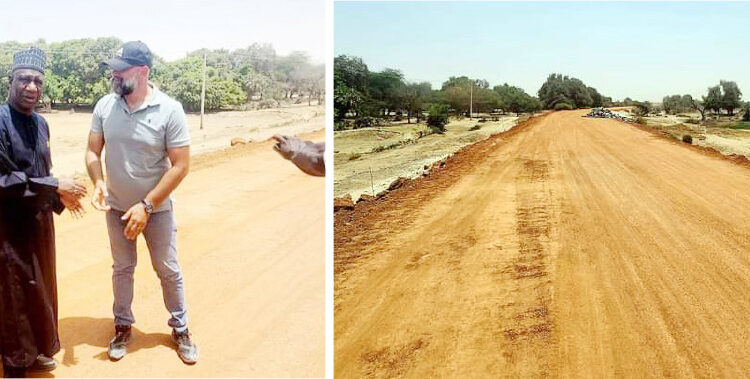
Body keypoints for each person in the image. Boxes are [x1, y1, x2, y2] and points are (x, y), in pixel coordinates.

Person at [84, 41, 198, 364]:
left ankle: (181, 328)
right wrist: (99, 183)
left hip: (157, 212)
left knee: (168, 269)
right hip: (117, 209)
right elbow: (93, 151)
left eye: (122, 70)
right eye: (114, 69)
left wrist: (146, 206)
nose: (115, 75)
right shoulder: (105, 106)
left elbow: (181, 165)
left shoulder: (169, 110)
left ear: (144, 71)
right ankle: (122, 326)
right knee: (122, 269)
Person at [0, 47, 86, 378]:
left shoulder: (41, 124)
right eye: (24, 79)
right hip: (8, 226)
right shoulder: (1, 122)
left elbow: (41, 171)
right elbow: (5, 181)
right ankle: (16, 361)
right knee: (13, 292)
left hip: (39, 222)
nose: (31, 87)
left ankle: (36, 351)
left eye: (37, 80)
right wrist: (54, 184)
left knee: (40, 285)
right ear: (11, 81)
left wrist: (60, 198)